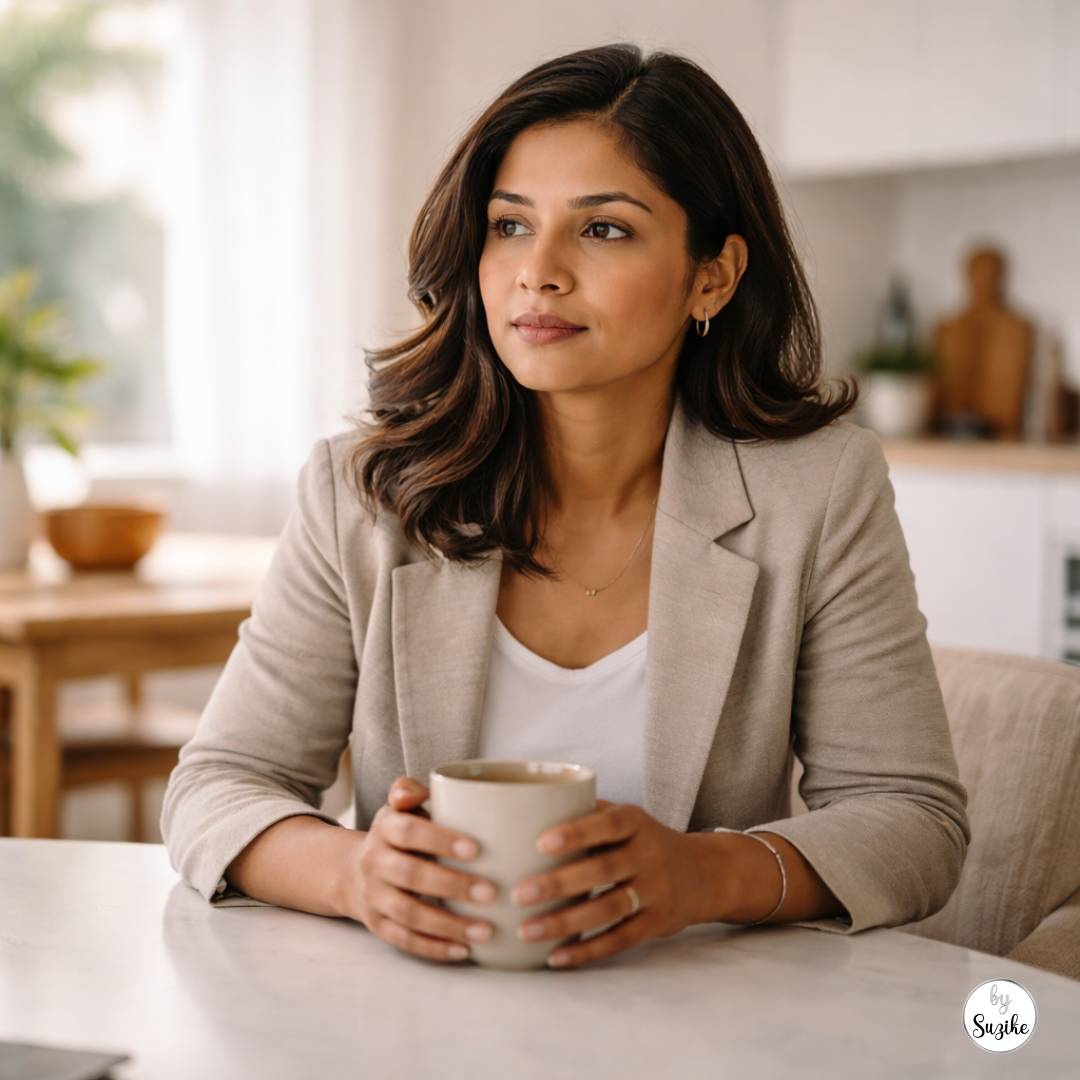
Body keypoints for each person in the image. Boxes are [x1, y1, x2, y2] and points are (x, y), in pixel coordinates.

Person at [161, 43, 969, 971]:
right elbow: (219, 786)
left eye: (604, 230)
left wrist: (702, 876)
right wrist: (356, 876)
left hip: (709, 1023)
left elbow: (915, 821)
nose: (536, 271)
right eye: (509, 225)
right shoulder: (364, 492)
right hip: (410, 1026)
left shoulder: (818, 491)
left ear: (713, 275)